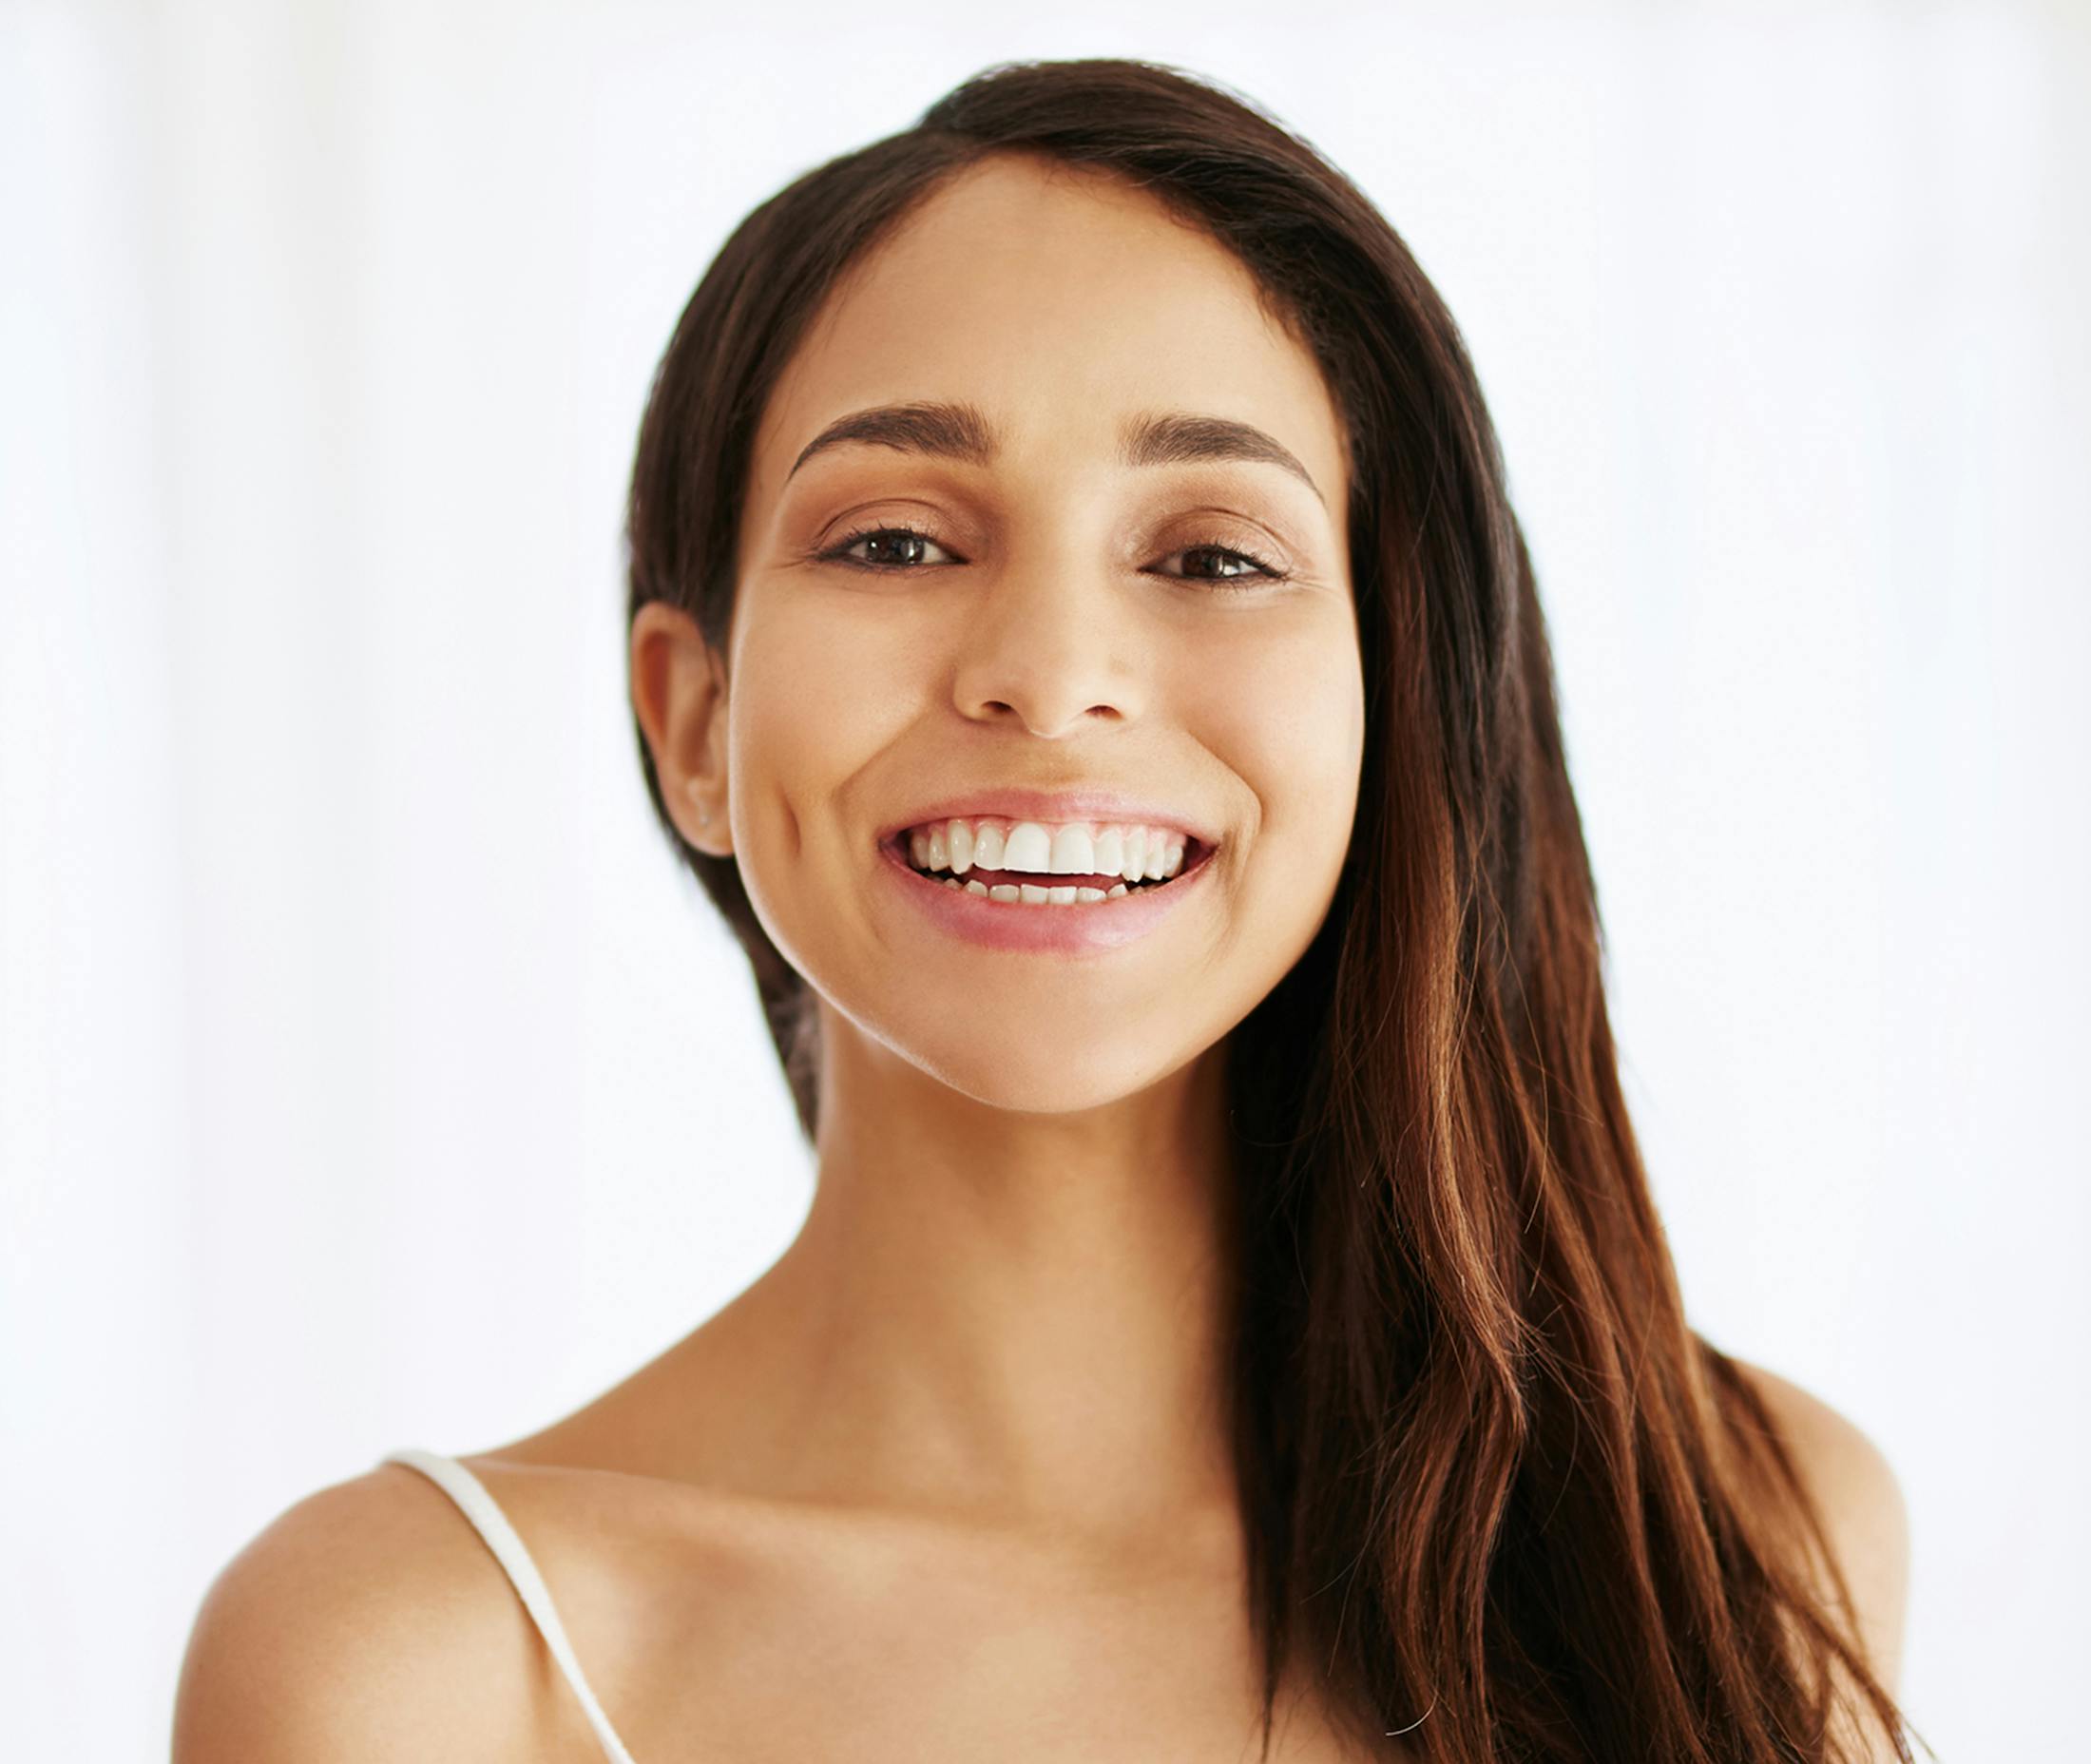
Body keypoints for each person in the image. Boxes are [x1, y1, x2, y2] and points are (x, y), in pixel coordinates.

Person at [173, 57, 1917, 1763]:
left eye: (1213, 556)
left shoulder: (1742, 1534)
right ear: (697, 723)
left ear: (1396, 700)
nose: (1051, 676)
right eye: (897, 543)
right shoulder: (417, 1669)